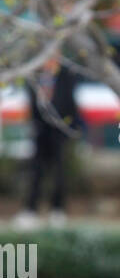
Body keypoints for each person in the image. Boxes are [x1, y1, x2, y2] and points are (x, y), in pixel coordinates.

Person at [15, 59, 81, 227]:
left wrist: (69, 126)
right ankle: (31, 210)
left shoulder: (66, 74)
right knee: (36, 172)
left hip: (59, 131)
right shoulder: (35, 75)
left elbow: (70, 101)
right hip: (40, 130)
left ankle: (57, 210)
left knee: (59, 172)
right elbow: (31, 101)